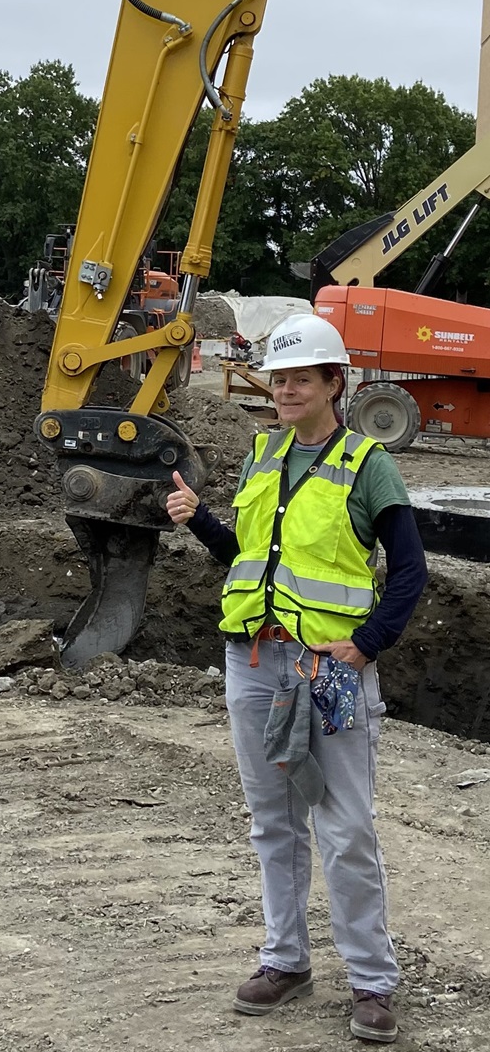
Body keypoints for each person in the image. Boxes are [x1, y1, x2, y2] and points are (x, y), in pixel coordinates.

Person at [166, 313, 427, 1045]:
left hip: (329, 668)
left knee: (344, 826)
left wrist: (368, 644)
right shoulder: (262, 453)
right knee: (273, 820)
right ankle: (286, 961)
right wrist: (199, 520)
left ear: (333, 384)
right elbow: (248, 556)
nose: (284, 391)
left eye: (299, 379)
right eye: (278, 379)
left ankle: (371, 980)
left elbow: (411, 571)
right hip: (253, 660)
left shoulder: (368, 463)